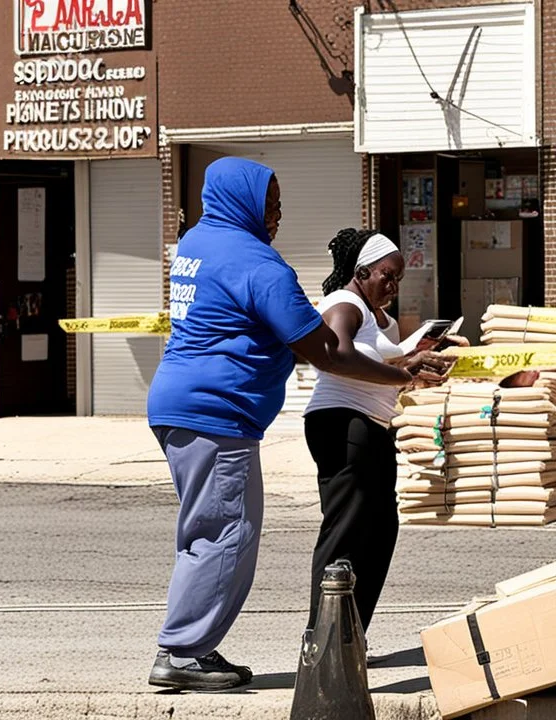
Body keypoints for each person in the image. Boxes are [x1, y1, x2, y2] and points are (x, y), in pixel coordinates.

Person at [145, 159, 427, 692]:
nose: (277, 215)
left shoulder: (198, 242)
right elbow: (326, 351)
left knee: (203, 532)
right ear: (244, 202)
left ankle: (186, 647)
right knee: (227, 533)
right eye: (270, 204)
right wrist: (401, 371)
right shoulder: (257, 263)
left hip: (180, 404)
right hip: (217, 412)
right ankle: (183, 651)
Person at [301, 228, 460, 649]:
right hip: (342, 423)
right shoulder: (345, 303)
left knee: (378, 534)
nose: (392, 286)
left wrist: (416, 364)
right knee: (346, 533)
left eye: (398, 280)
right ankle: (323, 642)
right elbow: (336, 353)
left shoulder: (376, 319)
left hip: (371, 426)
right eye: (386, 276)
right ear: (361, 271)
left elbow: (382, 369)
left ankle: (348, 638)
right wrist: (404, 372)